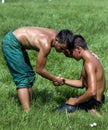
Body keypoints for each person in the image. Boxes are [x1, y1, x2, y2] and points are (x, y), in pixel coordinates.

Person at [2, 26, 74, 112]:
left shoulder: (57, 34)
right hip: (11, 43)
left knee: (29, 75)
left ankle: (28, 105)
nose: (62, 51)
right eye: (61, 48)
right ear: (57, 40)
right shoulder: (46, 44)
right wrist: (54, 79)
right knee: (23, 78)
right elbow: (39, 70)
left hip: (17, 40)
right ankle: (27, 112)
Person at [53, 35, 106, 115]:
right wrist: (64, 81)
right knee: (67, 104)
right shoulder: (89, 59)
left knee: (57, 112)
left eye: (71, 52)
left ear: (78, 49)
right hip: (97, 99)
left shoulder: (89, 63)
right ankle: (90, 110)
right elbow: (82, 83)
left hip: (94, 101)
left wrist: (75, 101)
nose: (70, 55)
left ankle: (91, 110)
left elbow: (92, 91)